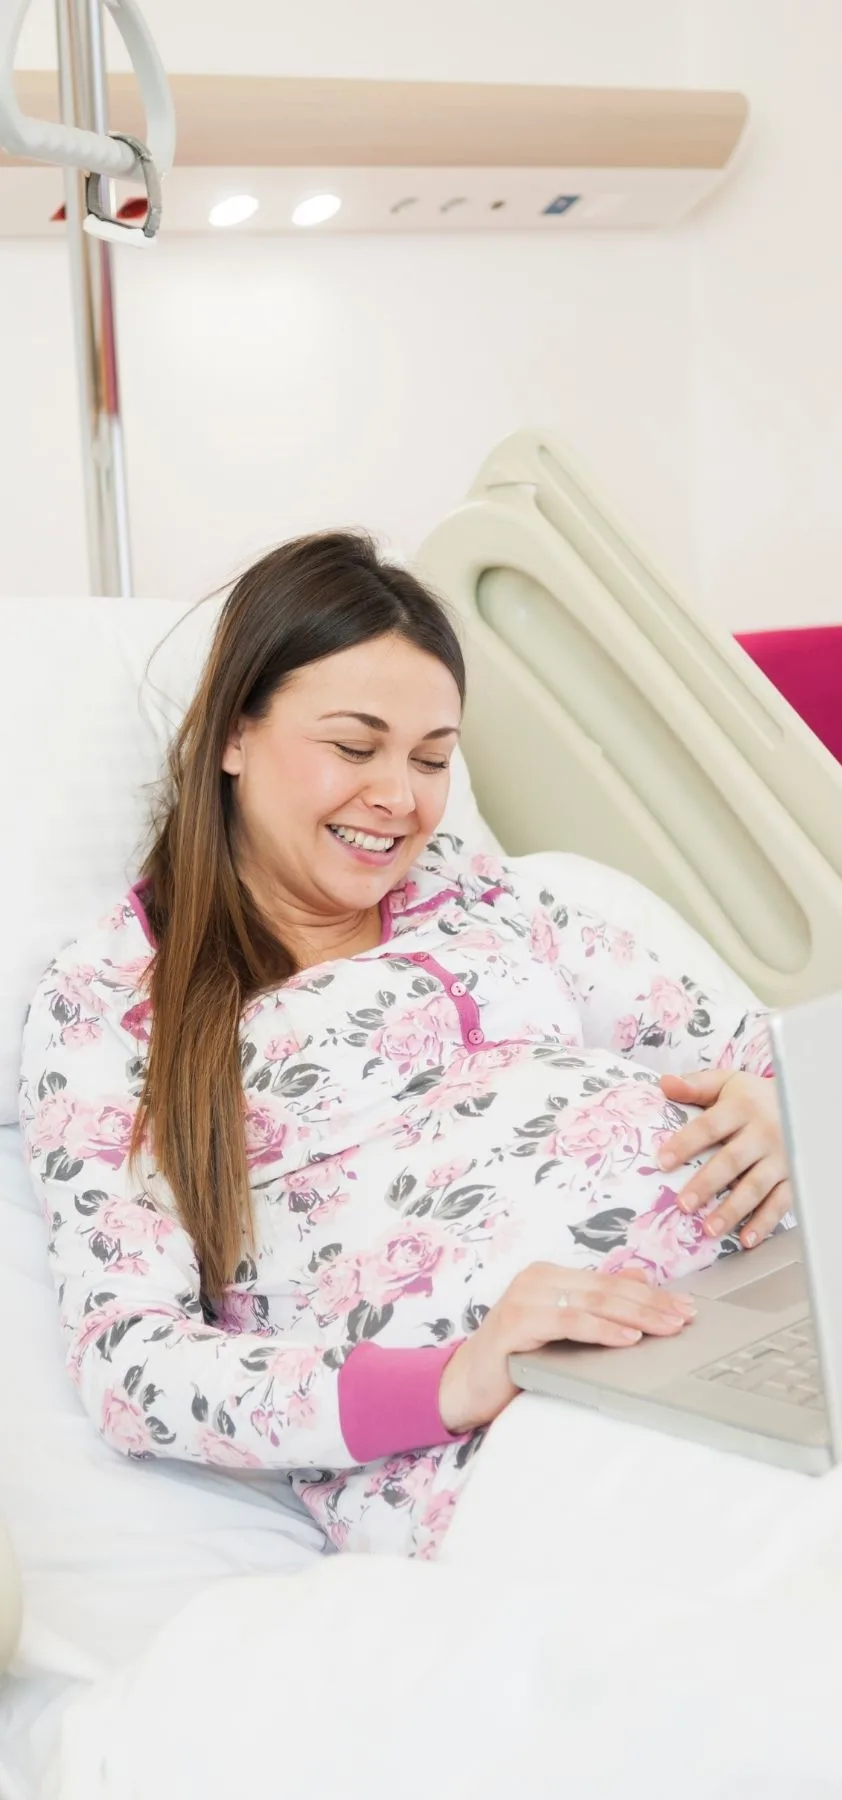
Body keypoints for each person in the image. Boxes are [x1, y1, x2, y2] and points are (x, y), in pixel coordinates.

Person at [18, 532, 791, 1557]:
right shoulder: (114, 1001)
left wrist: (778, 1109)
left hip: (754, 1315)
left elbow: (742, 1047)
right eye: (355, 746)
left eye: (433, 759)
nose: (402, 799)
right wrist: (456, 1377)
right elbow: (134, 1365)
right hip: (529, 1425)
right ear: (232, 734)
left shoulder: (479, 892)